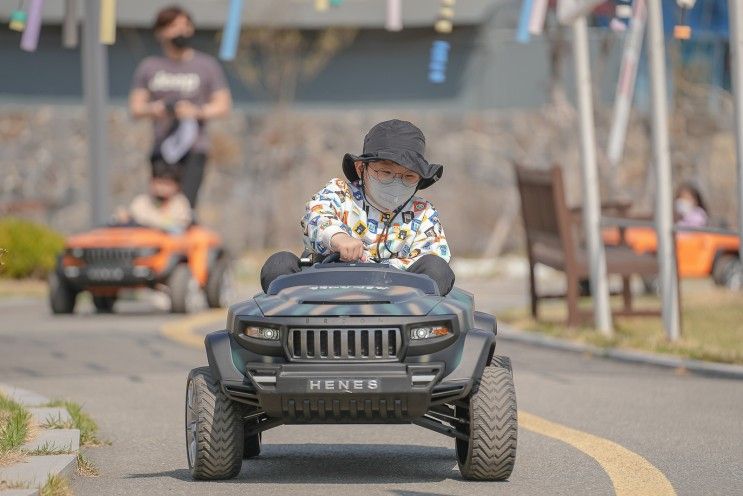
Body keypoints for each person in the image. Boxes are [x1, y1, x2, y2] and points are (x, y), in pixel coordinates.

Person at [260, 119, 455, 295]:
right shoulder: (339, 192)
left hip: (399, 296)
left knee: (438, 269)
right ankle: (292, 323)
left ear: (420, 179)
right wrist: (338, 238)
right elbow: (316, 215)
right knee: (279, 263)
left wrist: (379, 269)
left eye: (409, 176)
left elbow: (434, 254)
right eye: (386, 173)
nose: (397, 183)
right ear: (361, 168)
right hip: (324, 285)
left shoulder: (423, 212)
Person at [129, 5, 232, 207]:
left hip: (194, 149)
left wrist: (196, 111)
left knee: (185, 206)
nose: (182, 31)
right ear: (161, 32)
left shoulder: (206, 66)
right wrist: (155, 109)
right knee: (161, 206)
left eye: (186, 25)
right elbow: (136, 107)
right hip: (162, 150)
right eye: (174, 26)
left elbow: (223, 105)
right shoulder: (150, 67)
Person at [115, 159, 192, 233]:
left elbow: (178, 226)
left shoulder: (180, 204)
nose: (162, 188)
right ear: (151, 181)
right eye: (159, 183)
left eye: (167, 184)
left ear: (177, 186)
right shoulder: (141, 202)